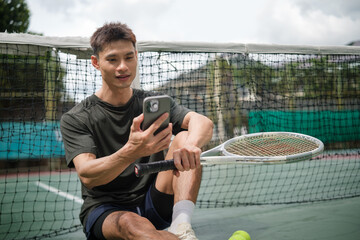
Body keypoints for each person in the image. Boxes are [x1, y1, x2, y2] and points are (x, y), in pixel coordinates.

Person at [60, 22, 213, 240]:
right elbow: (87, 175)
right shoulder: (77, 117)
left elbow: (203, 122)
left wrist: (190, 145)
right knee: (133, 226)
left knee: (186, 136)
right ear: (96, 62)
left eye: (129, 57)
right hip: (107, 209)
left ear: (136, 56)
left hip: (154, 198)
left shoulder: (154, 103)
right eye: (112, 59)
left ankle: (181, 227)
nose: (122, 66)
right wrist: (132, 150)